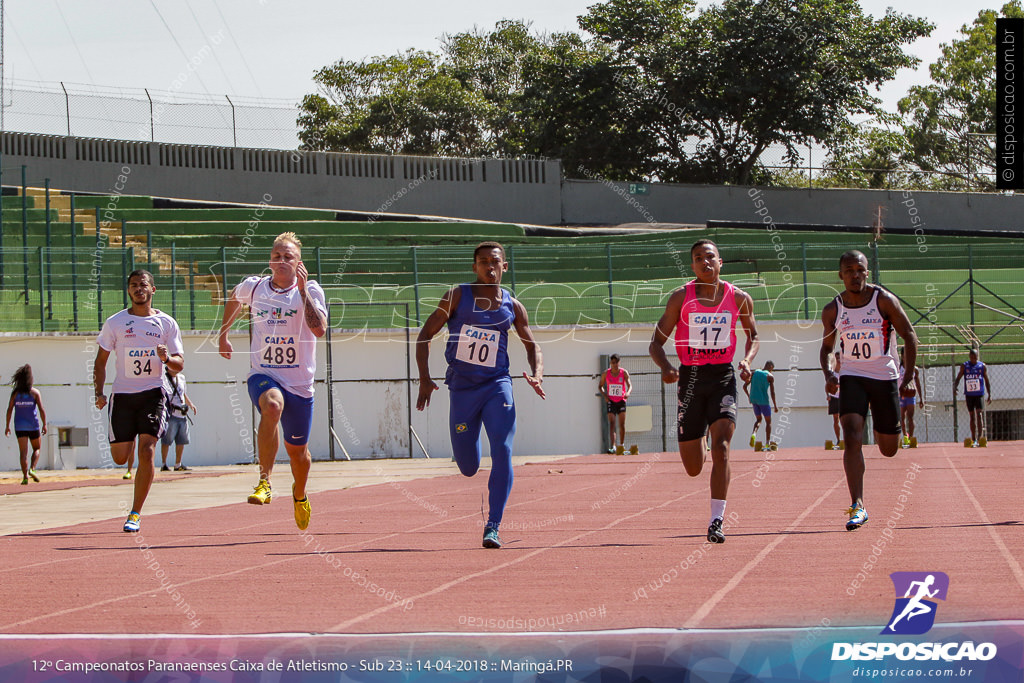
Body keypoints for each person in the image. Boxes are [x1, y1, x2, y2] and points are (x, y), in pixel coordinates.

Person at [416, 241, 545, 549]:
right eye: (483, 262)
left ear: (504, 267)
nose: (490, 267)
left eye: (495, 262)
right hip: (462, 389)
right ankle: (468, 455)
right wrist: (424, 378)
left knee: (502, 448)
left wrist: (538, 374)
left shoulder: (512, 306)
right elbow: (424, 335)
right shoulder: (458, 296)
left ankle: (493, 526)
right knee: (468, 466)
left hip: (497, 384)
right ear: (474, 267)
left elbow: (532, 346)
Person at [649, 239, 759, 544]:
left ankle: (716, 520)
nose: (704, 262)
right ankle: (701, 438)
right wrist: (667, 368)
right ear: (692, 266)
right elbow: (655, 343)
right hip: (691, 378)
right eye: (698, 258)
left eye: (709, 257)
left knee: (722, 446)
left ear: (720, 262)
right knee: (694, 467)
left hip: (723, 375)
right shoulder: (680, 298)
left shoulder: (739, 298)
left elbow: (754, 336)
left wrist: (747, 361)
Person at [219, 232, 326, 530]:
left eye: (288, 257)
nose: (281, 261)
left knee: (298, 454)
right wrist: (223, 334)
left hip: (300, 384)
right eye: (276, 256)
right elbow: (233, 297)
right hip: (263, 373)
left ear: (299, 263)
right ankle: (264, 481)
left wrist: (303, 292)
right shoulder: (254, 287)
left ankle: (300, 494)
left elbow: (319, 330)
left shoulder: (312, 290)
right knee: (272, 406)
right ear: (270, 260)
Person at [819, 250, 918, 532]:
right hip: (851, 375)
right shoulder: (833, 310)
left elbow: (910, 336)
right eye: (849, 270)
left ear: (867, 272)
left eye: (860, 269)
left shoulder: (883, 300)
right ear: (841, 275)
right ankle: (858, 504)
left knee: (889, 449)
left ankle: (884, 425)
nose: (855, 275)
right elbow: (827, 348)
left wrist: (907, 376)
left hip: (884, 375)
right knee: (851, 434)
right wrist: (829, 373)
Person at [93, 270, 184, 533]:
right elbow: (101, 361)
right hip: (122, 396)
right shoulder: (115, 323)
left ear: (152, 290)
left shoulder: (166, 324)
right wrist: (99, 392)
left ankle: (135, 513)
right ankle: (129, 435)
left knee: (147, 451)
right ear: (128, 291)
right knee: (121, 458)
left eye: (143, 284)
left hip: (153, 393)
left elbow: (179, 365)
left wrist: (166, 359)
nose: (138, 289)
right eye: (133, 285)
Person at [5, 364, 47, 485]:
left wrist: (7, 426)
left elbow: (9, 409)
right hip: (33, 425)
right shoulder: (35, 393)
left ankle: (24, 477)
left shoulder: (15, 394)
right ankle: (32, 469)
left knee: (23, 452)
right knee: (37, 448)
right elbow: (41, 409)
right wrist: (44, 424)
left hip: (19, 426)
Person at [953, 348, 991, 447]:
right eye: (973, 357)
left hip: (979, 394)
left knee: (979, 414)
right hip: (969, 395)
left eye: (976, 357)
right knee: (972, 416)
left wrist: (989, 394)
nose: (974, 359)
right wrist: (955, 387)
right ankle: (973, 439)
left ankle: (980, 438)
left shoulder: (982, 366)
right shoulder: (965, 366)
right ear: (970, 357)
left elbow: (986, 380)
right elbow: (958, 378)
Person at [161, 368, 197, 472]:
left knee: (182, 440)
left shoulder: (181, 378)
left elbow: (183, 394)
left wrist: (190, 404)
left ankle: (178, 464)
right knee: (167, 440)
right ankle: (164, 464)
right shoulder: (165, 378)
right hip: (171, 413)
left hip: (182, 413)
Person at [599, 354, 631, 454]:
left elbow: (630, 385)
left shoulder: (624, 372)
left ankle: (621, 445)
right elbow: (600, 386)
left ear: (619, 362)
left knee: (622, 424)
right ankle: (613, 446)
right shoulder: (606, 373)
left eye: (616, 362)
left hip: (621, 401)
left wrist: (627, 393)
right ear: (610, 363)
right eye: (613, 363)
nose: (615, 365)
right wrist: (605, 396)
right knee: (612, 424)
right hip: (611, 401)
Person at [743, 360, 777, 449]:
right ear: (770, 367)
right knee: (768, 422)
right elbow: (772, 392)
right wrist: (775, 406)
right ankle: (767, 443)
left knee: (758, 420)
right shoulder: (770, 376)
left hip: (754, 400)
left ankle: (754, 433)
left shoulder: (754, 373)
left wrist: (749, 396)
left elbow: (744, 386)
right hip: (763, 401)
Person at [898, 347, 923, 447]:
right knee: (901, 417)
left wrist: (921, 398)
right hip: (901, 395)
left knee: (910, 417)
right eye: (905, 355)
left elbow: (918, 383)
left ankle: (911, 438)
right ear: (902, 356)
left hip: (910, 395)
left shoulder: (914, 369)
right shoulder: (898, 368)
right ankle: (905, 437)